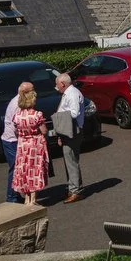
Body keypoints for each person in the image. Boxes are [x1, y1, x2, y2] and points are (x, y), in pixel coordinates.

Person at [10, 84, 49, 205]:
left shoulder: (17, 116)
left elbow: (16, 131)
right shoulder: (37, 115)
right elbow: (44, 130)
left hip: (23, 145)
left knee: (24, 170)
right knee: (34, 170)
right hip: (35, 145)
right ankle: (33, 199)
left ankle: (27, 198)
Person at [53, 73, 86, 203]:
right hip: (68, 130)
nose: (57, 87)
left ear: (62, 83)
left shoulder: (72, 94)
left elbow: (73, 112)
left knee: (71, 160)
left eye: (57, 85)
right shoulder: (69, 92)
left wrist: (58, 118)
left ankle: (76, 191)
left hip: (72, 130)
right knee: (70, 160)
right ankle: (73, 188)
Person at [0, 82, 30, 203]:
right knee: (16, 168)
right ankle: (11, 197)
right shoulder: (17, 104)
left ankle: (15, 195)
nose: (34, 92)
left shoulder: (21, 101)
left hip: (14, 140)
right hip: (11, 141)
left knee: (19, 168)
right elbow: (16, 126)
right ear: (24, 92)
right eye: (32, 90)